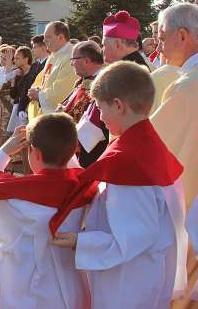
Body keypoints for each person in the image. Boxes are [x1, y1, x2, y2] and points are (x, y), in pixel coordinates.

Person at [50, 61, 185, 309]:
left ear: (118, 105)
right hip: (144, 274)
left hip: (128, 283)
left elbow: (135, 237)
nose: (99, 117)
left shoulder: (129, 162)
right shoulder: (148, 147)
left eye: (101, 108)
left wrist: (81, 242)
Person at [0, 114, 95, 309]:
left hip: (28, 288)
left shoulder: (18, 195)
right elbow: (73, 169)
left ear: (35, 154)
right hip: (72, 283)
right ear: (74, 150)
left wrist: (4, 150)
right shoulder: (86, 185)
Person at [150, 3, 198, 308]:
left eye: (162, 35)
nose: (158, 44)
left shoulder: (187, 87)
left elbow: (151, 149)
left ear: (182, 36)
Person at [76, 11, 149, 166]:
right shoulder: (132, 65)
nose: (101, 50)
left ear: (117, 44)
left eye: (104, 44)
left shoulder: (127, 71)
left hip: (112, 148)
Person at [56, 41, 105, 168]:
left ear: (86, 61)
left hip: (90, 153)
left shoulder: (103, 83)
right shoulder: (83, 81)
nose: (72, 63)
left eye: (73, 59)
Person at [27, 21, 77, 119]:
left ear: (60, 37)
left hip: (58, 118)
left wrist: (39, 95)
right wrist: (35, 90)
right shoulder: (53, 56)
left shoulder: (71, 56)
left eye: (48, 37)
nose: (44, 40)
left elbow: (63, 91)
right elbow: (42, 80)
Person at [7, 46, 34, 133]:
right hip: (18, 108)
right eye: (14, 58)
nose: (14, 61)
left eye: (17, 58)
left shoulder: (33, 72)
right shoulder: (18, 73)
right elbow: (13, 94)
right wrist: (14, 79)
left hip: (28, 108)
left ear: (26, 59)